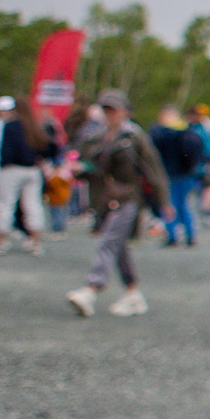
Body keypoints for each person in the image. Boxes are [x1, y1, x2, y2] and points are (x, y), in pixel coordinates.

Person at [64, 89, 166, 317]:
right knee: (118, 246)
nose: (109, 114)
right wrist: (80, 169)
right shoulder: (95, 135)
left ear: (124, 112)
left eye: (113, 110)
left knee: (108, 241)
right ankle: (133, 293)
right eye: (105, 109)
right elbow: (85, 162)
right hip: (103, 197)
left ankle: (92, 288)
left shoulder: (134, 137)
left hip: (128, 197)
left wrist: (163, 202)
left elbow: (153, 169)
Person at [0, 96, 46, 253]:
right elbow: (47, 147)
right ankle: (35, 240)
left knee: (6, 204)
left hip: (13, 169)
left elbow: (6, 150)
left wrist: (5, 164)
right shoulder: (34, 126)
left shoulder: (11, 126)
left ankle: (2, 240)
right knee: (33, 205)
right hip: (32, 169)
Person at [148, 105, 201, 247]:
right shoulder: (188, 131)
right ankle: (190, 235)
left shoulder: (161, 132)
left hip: (168, 173)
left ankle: (172, 235)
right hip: (186, 173)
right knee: (184, 204)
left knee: (168, 204)